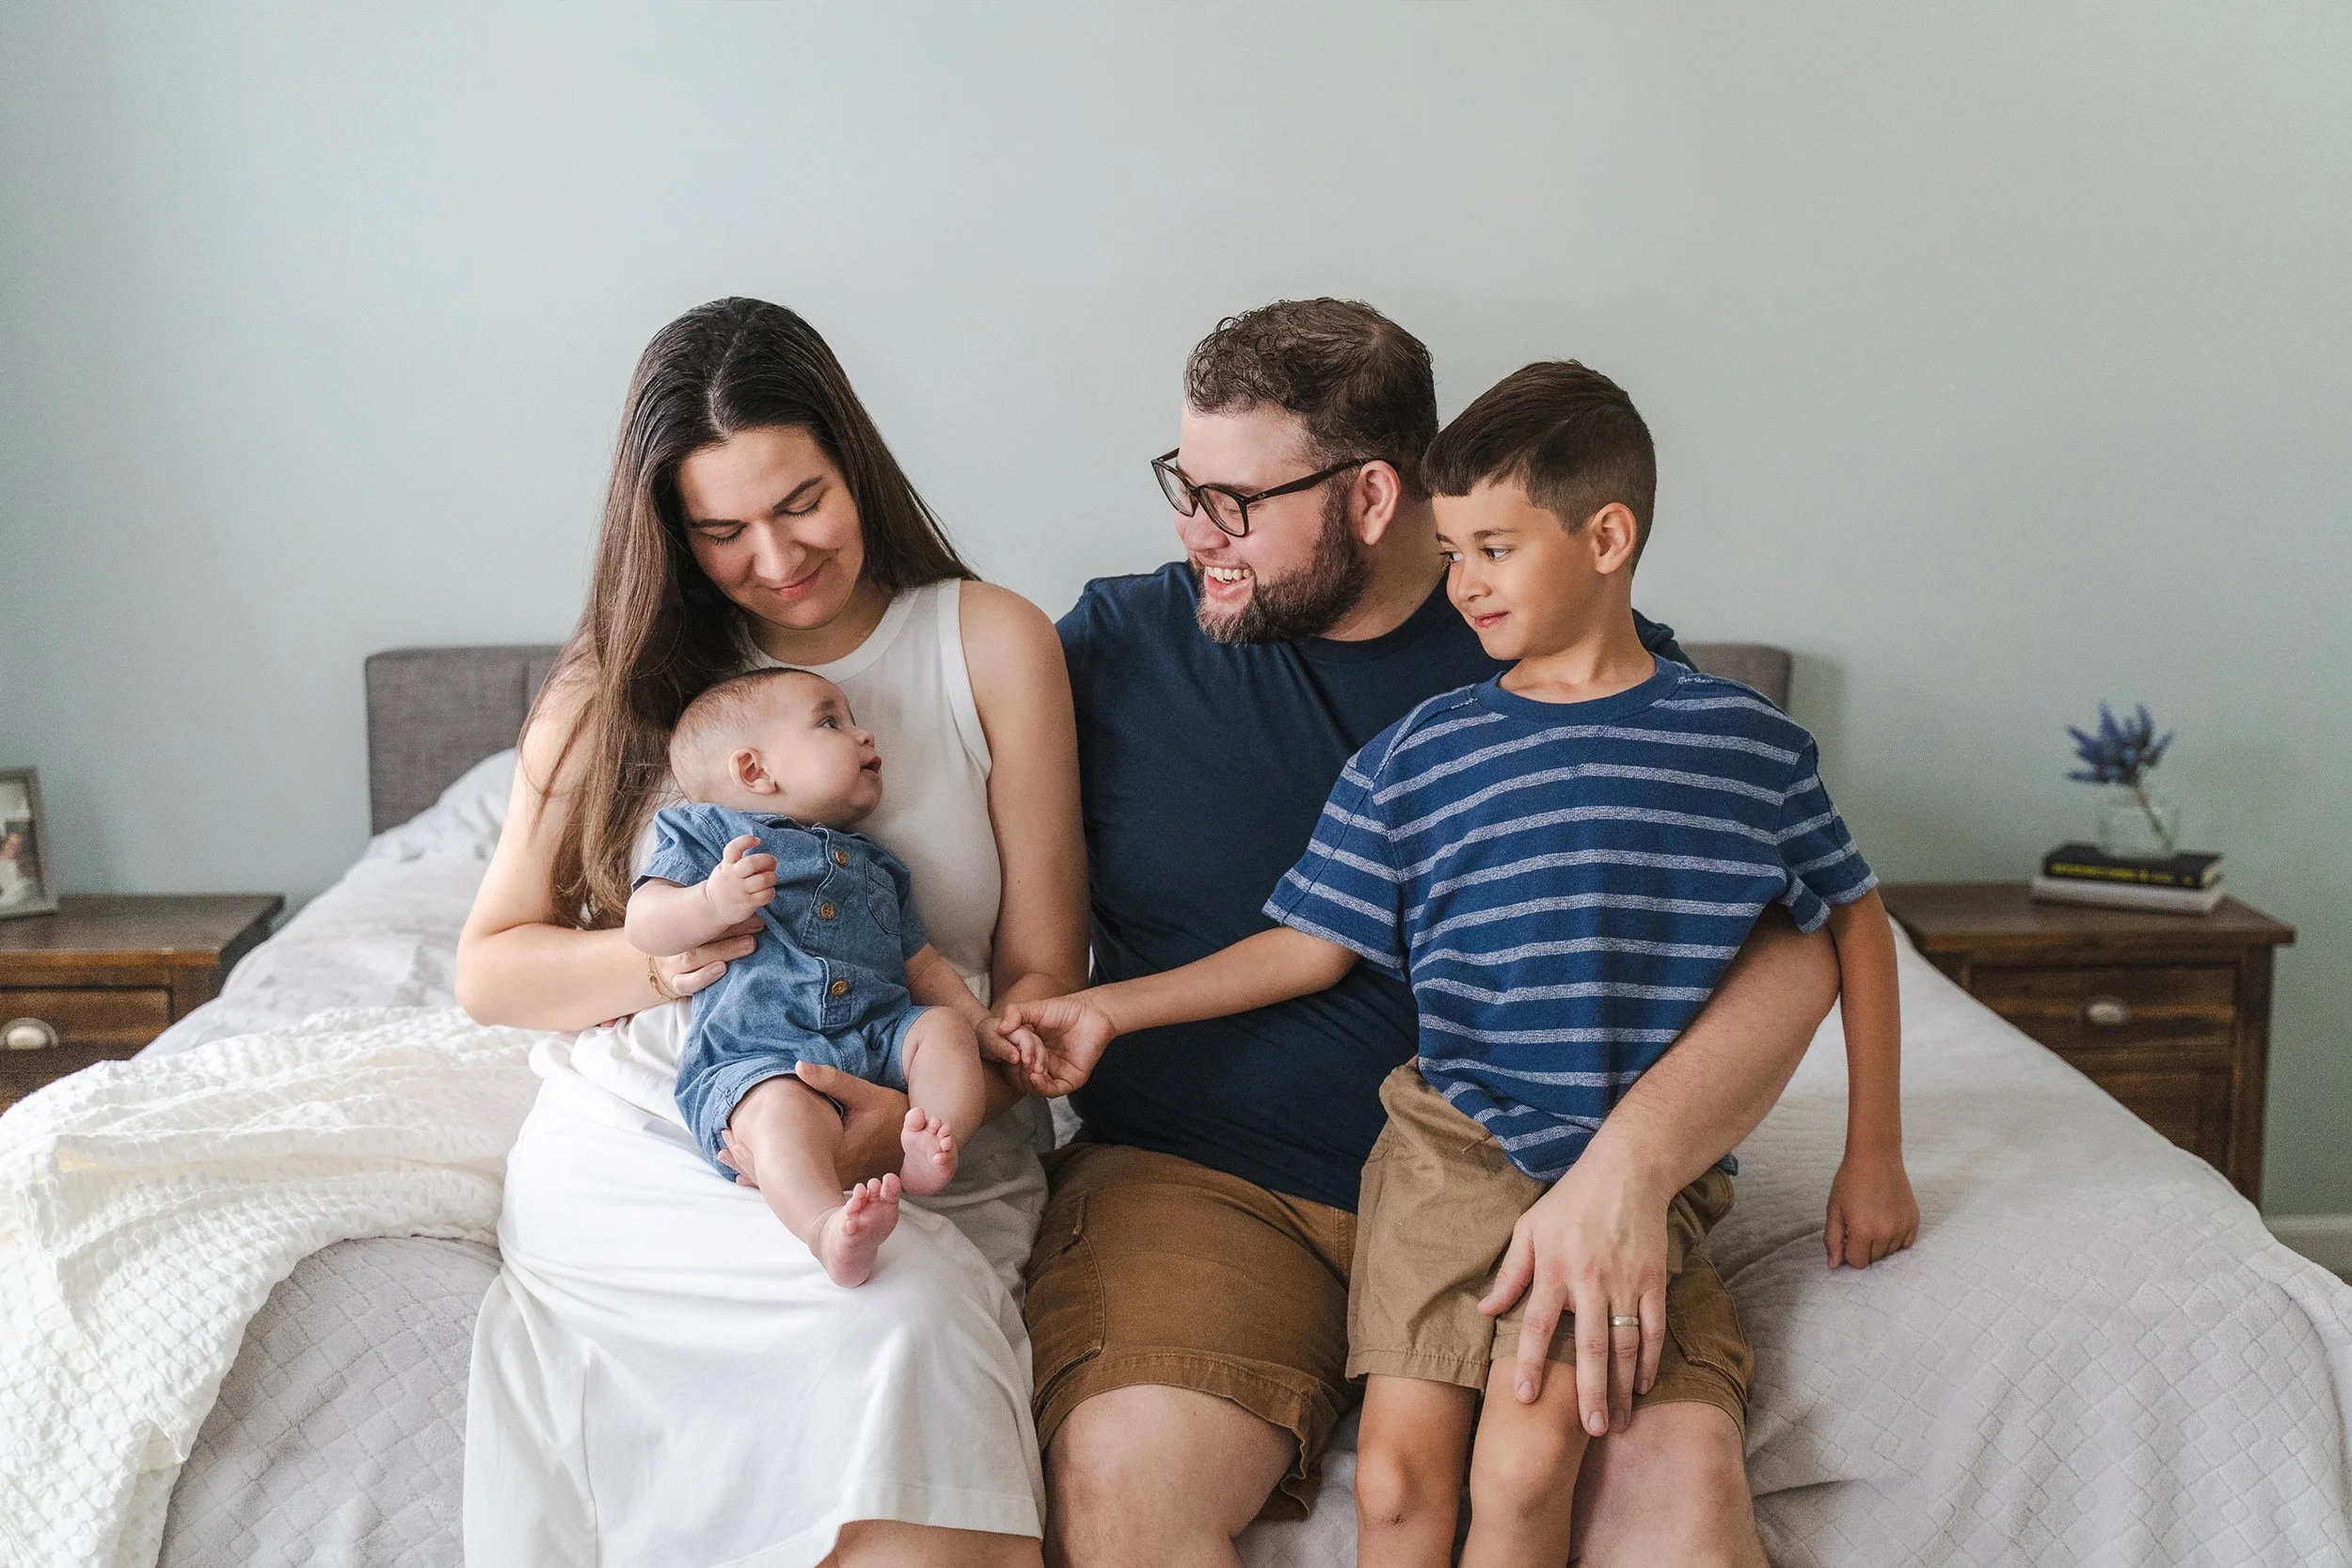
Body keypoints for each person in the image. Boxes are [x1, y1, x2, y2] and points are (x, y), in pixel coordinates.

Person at [1007, 359, 1915, 1564]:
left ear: (1373, 495)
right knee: (1132, 1483)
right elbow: (1306, 939)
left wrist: (1635, 1169)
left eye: (1235, 499)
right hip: (1209, 1182)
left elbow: (1808, 933)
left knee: (1658, 1492)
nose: (1192, 528)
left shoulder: (1660, 702)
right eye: (1184, 483)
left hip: (1562, 1165)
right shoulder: (1117, 648)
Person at [456, 297, 1088, 1568]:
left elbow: (1037, 979)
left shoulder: (993, 641)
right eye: (723, 530)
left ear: (851, 458)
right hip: (654, 1127)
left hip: (923, 1120)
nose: (778, 557)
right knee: (860, 1319)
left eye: (800, 501)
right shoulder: (623, 680)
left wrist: (923, 1113)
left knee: (904, 1326)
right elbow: (491, 967)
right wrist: (665, 954)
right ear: (673, 535)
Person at [627, 668, 997, 1285]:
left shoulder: (879, 863)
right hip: (758, 1055)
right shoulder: (705, 834)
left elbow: (923, 965)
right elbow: (645, 922)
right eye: (832, 722)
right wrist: (709, 904)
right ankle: (825, 1225)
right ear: (754, 770)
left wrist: (982, 1025)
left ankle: (930, 1143)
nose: (864, 734)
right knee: (778, 1113)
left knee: (944, 1030)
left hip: (876, 1035)